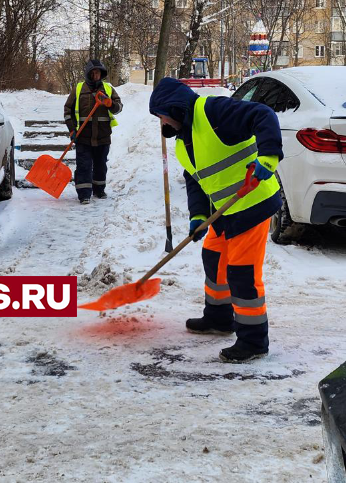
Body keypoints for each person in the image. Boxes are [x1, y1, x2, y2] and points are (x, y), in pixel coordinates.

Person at [149, 77, 283, 363]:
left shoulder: (213, 111)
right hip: (225, 211)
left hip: (253, 203)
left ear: (175, 108)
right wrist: (198, 215)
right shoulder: (185, 143)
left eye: (162, 115)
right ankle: (220, 318)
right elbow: (196, 181)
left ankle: (253, 340)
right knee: (213, 256)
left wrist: (269, 156)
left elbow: (263, 114)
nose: (162, 122)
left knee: (241, 272)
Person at [63, 60, 123, 203]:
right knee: (84, 165)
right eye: (94, 72)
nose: (96, 75)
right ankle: (84, 194)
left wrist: (110, 104)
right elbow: (67, 111)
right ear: (89, 73)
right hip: (83, 136)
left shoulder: (108, 89)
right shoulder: (78, 89)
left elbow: (119, 107)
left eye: (99, 73)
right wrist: (72, 130)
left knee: (100, 165)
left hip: (103, 136)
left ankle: (99, 190)